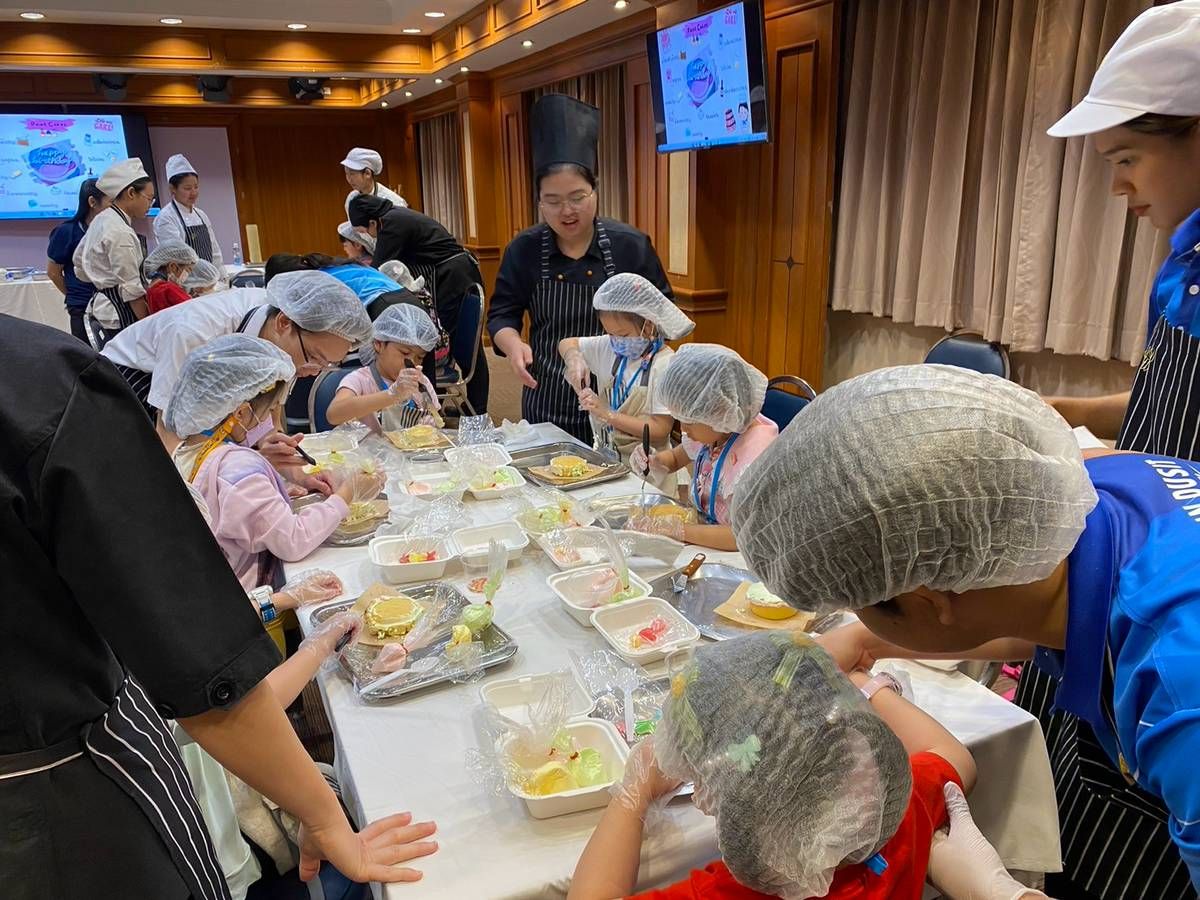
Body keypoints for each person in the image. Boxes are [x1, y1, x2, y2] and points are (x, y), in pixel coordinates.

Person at [0, 315, 437, 899]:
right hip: (85, 783)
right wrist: (325, 816)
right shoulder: (44, 385)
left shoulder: (191, 455)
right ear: (241, 411)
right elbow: (203, 672)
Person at [730, 364, 1200, 897]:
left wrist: (997, 892)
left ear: (929, 600)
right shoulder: (1095, 483)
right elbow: (1014, 609)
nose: (858, 618)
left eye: (857, 605)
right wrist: (864, 639)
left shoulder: (1180, 694)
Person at [1021, 6, 1200, 896]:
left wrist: (1121, 480)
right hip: (1122, 566)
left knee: (1147, 827)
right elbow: (1167, 395)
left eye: (1128, 158)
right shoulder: (1187, 263)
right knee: (1071, 792)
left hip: (1172, 602)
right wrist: (1067, 409)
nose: (1119, 187)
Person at [570, 631, 978, 900]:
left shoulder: (727, 893)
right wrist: (862, 686)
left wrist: (633, 794)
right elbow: (954, 756)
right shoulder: (901, 815)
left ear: (717, 791)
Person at [488, 94, 672, 443]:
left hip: (620, 403)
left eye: (577, 197)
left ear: (595, 191)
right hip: (547, 394)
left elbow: (665, 315)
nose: (566, 211)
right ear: (539, 201)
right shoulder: (524, 249)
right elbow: (501, 315)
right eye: (553, 201)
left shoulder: (630, 245)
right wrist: (512, 345)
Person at [164, 334, 385, 592]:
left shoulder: (186, 450)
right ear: (241, 413)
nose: (271, 421)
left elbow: (232, 509)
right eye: (269, 411)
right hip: (249, 595)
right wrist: (347, 493)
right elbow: (293, 540)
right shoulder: (237, 467)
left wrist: (279, 491)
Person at [100, 269, 370, 431]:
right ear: (284, 323)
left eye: (328, 365)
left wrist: (271, 442)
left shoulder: (289, 339)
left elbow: (271, 413)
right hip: (130, 384)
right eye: (314, 358)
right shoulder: (196, 332)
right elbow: (169, 432)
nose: (314, 372)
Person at [349, 194, 489, 414]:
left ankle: (473, 409)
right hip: (455, 272)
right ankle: (463, 405)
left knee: (462, 343)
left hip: (455, 277)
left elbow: (379, 267)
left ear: (373, 222)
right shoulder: (395, 216)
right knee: (457, 340)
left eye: (365, 231)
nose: (369, 236)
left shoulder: (392, 224)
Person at [630, 343, 777, 550]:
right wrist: (654, 461)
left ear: (719, 411)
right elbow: (675, 459)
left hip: (739, 553)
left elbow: (740, 536)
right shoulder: (715, 430)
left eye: (688, 421)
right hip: (705, 536)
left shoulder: (754, 454)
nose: (683, 429)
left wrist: (678, 530)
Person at [557, 273, 693, 487]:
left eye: (623, 335)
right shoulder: (609, 348)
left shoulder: (665, 364)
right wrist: (574, 359)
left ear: (648, 326)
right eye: (610, 333)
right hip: (610, 462)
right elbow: (567, 343)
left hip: (649, 471)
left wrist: (608, 414)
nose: (615, 341)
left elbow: (660, 429)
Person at [326, 303, 442, 435]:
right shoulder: (359, 380)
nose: (412, 362)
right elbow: (334, 414)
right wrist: (392, 395)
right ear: (378, 344)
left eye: (420, 357)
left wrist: (430, 425)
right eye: (404, 353)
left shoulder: (421, 383)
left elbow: (436, 417)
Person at [73, 157, 155, 333]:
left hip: (102, 307)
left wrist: (101, 279)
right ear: (131, 193)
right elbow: (132, 290)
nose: (150, 205)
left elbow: (79, 265)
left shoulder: (102, 219)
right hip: (119, 313)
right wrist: (151, 326)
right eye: (149, 199)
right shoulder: (120, 231)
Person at [46, 177, 109, 342]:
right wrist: (74, 295)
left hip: (110, 305)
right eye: (111, 202)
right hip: (82, 307)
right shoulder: (67, 231)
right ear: (92, 202)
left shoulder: (112, 230)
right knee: (86, 353)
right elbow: (53, 272)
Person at [153, 154, 225, 268]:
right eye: (187, 188)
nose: (194, 192)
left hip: (210, 277)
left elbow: (215, 252)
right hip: (185, 278)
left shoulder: (201, 215)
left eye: (196, 187)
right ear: (172, 189)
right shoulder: (165, 218)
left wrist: (221, 275)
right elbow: (178, 257)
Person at [341, 147, 407, 215]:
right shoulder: (351, 199)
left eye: (352, 174)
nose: (348, 179)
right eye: (346, 173)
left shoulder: (394, 202)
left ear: (367, 173)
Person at [143, 241, 198, 315]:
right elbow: (194, 312)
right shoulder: (168, 289)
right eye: (188, 270)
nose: (188, 275)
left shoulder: (151, 289)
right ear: (173, 266)